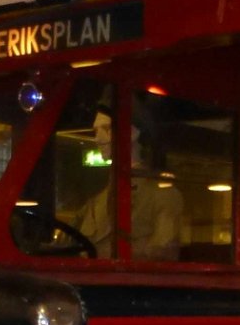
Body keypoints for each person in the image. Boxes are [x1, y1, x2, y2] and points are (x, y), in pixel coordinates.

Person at [72, 98, 183, 259]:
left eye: (107, 129)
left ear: (133, 133)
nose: (98, 138)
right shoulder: (96, 203)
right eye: (96, 131)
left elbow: (163, 252)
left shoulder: (163, 196)